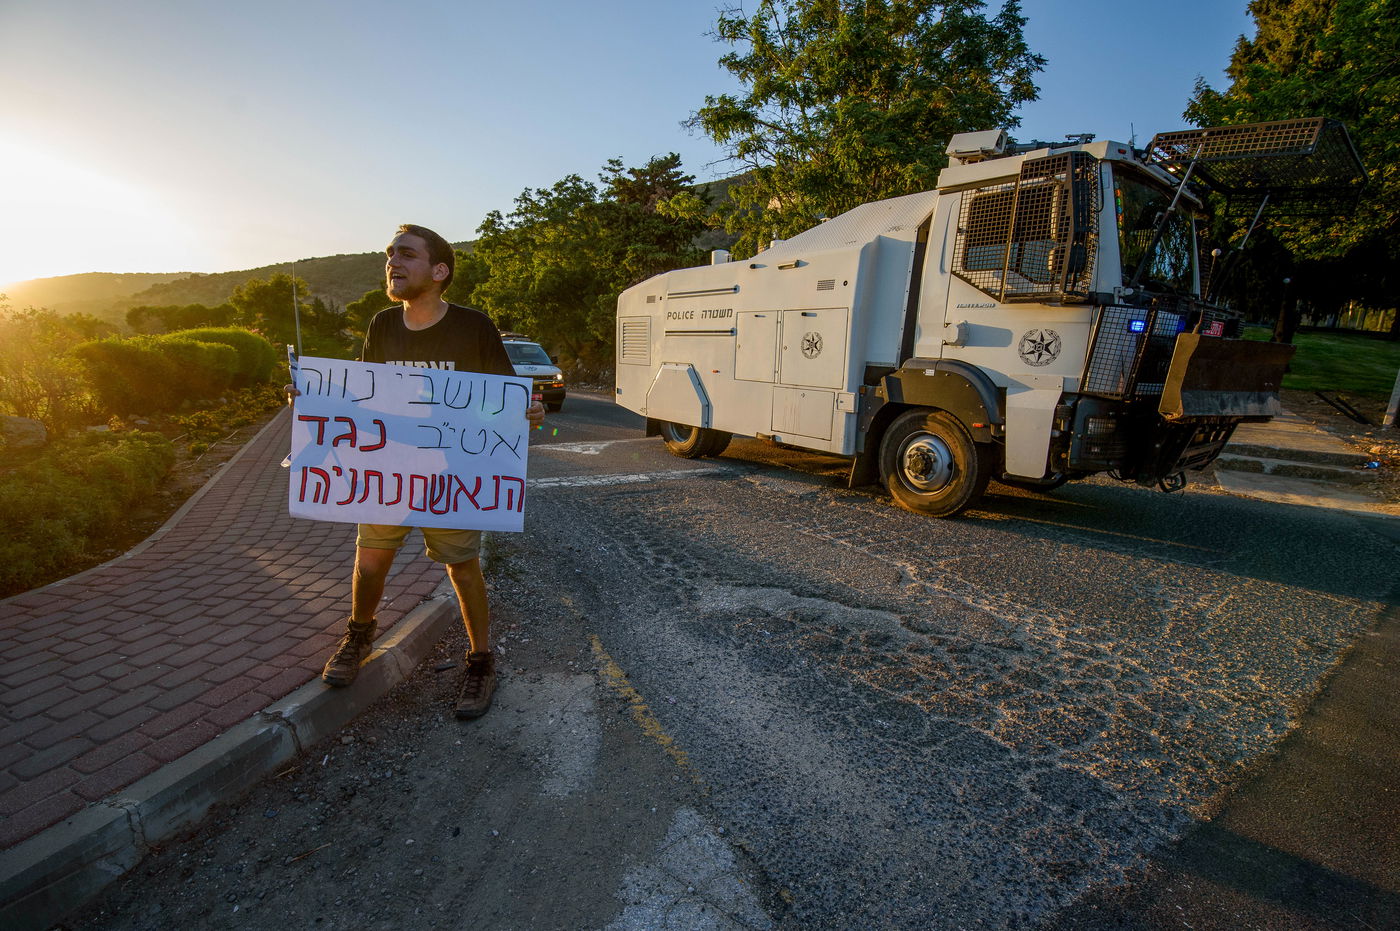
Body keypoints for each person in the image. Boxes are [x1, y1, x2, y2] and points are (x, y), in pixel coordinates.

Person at [292, 223, 544, 719]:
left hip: (452, 477)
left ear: (439, 270)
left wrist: (529, 411)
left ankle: (480, 661)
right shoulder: (382, 325)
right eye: (390, 255)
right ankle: (358, 637)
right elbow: (362, 389)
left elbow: (503, 397)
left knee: (461, 567)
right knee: (369, 564)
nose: (393, 262)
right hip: (389, 471)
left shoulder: (474, 327)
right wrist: (315, 398)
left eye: (406, 254)